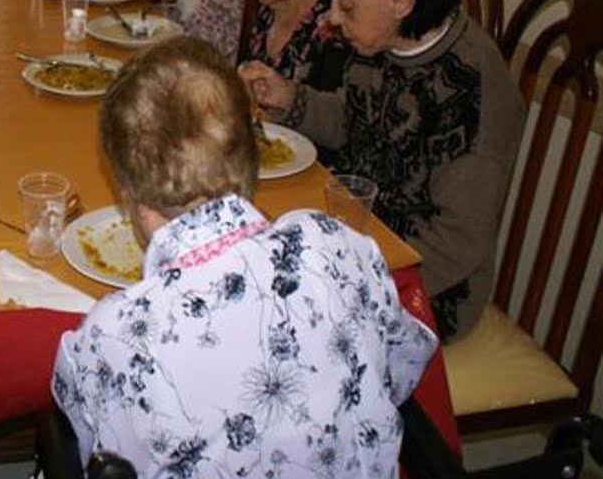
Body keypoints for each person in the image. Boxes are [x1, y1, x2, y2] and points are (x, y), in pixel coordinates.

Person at [53, 36, 437, 478]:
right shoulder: (338, 243)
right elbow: (401, 369)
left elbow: (94, 453)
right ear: (253, 159)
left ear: (131, 197)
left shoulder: (114, 334)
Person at [239, 0, 525, 341]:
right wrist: (290, 97)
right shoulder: (385, 40)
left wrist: (351, 282)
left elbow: (457, 243)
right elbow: (354, 118)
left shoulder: (471, 88)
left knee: (264, 330)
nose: (332, 18)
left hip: (421, 285)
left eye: (345, 5)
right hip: (354, 234)